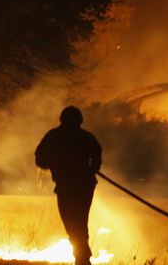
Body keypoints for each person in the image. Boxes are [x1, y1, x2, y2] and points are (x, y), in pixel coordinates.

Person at [35, 105, 102, 265]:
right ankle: (83, 255)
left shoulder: (53, 136)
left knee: (71, 221)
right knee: (80, 220)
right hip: (85, 186)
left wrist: (53, 163)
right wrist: (90, 169)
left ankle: (82, 256)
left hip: (65, 187)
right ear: (80, 121)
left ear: (62, 120)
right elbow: (97, 156)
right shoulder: (87, 137)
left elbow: (40, 159)